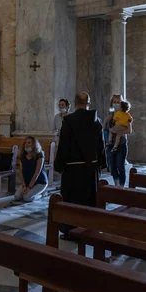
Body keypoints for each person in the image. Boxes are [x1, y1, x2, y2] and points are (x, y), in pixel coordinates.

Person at [55, 91, 106, 239]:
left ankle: (71, 232)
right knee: (89, 201)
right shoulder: (97, 121)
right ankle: (89, 231)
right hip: (91, 170)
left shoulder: (69, 121)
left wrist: (59, 166)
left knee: (73, 202)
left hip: (73, 170)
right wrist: (102, 163)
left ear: (75, 103)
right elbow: (100, 145)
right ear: (88, 104)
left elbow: (64, 145)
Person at [103, 94, 132, 186]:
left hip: (121, 143)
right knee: (112, 166)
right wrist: (105, 121)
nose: (116, 104)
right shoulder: (110, 115)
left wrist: (119, 131)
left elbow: (129, 130)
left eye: (118, 102)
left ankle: (122, 187)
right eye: (114, 102)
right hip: (110, 144)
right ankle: (116, 185)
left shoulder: (125, 115)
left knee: (120, 166)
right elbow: (104, 128)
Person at [14, 136, 48, 202]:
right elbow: (20, 172)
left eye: (29, 142)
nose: (26, 144)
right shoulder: (22, 156)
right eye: (25, 143)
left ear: (34, 145)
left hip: (40, 182)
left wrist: (29, 187)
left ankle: (41, 194)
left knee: (26, 198)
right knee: (17, 197)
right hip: (27, 182)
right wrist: (24, 186)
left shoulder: (39, 155)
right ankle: (33, 192)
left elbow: (37, 173)